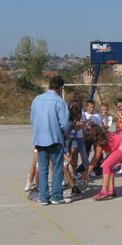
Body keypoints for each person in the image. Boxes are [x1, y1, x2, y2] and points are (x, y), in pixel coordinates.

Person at [30, 76, 72, 205]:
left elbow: (32, 119)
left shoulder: (37, 100)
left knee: (43, 169)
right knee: (57, 169)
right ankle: (56, 197)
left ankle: (43, 197)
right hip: (54, 139)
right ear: (60, 88)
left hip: (39, 139)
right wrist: (66, 133)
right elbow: (64, 123)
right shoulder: (59, 102)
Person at [91, 130, 122, 201]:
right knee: (106, 164)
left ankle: (104, 191)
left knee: (106, 165)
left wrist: (87, 172)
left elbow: (96, 158)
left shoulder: (100, 140)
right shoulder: (103, 136)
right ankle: (111, 190)